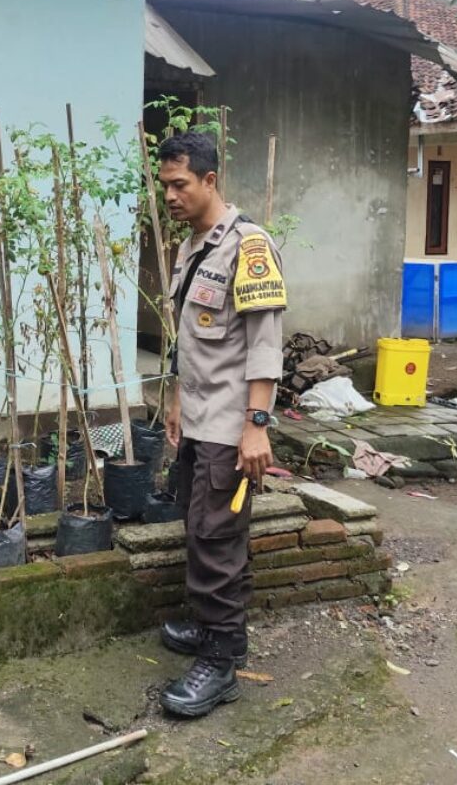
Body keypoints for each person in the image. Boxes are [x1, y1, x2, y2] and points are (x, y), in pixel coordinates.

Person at [156, 130, 285, 718]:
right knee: (200, 525)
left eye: (180, 184)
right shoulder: (192, 245)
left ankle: (224, 659)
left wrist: (256, 425)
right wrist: (179, 399)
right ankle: (210, 629)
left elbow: (263, 343)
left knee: (217, 536)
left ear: (211, 180)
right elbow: (191, 334)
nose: (171, 196)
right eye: (165, 186)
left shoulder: (249, 246)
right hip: (199, 415)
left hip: (232, 425)